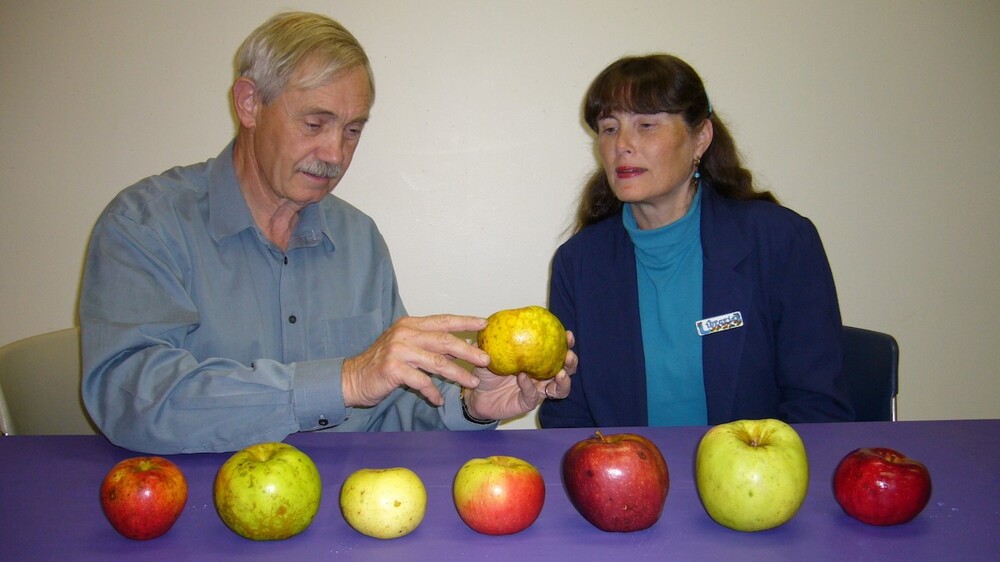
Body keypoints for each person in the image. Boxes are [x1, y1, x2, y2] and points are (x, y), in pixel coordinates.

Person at [80, 12, 575, 454]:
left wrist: (470, 404)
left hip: (346, 514)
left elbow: (389, 408)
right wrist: (342, 380)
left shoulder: (360, 239)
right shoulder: (146, 224)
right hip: (192, 513)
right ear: (249, 103)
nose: (336, 154)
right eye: (315, 123)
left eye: (353, 130)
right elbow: (129, 395)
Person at [539, 54, 852, 429]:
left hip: (759, 480)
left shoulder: (779, 241)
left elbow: (818, 407)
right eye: (609, 128)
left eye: (647, 125)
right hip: (623, 482)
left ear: (700, 138)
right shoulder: (578, 263)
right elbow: (566, 415)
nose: (622, 144)